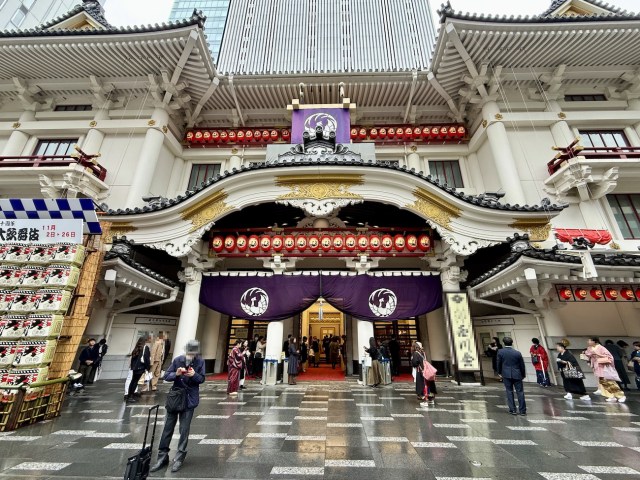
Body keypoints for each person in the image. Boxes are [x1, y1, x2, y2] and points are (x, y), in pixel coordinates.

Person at [150, 339, 205, 473]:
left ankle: (180, 457)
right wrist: (177, 374)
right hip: (175, 398)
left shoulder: (200, 362)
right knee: (167, 428)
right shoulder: (177, 360)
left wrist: (194, 375)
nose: (191, 355)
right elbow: (166, 376)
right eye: (189, 352)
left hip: (189, 399)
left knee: (184, 430)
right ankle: (162, 456)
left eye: (193, 353)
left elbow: (202, 379)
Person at [583, 337, 626, 403]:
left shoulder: (601, 348)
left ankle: (621, 395)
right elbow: (588, 355)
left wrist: (597, 354)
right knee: (603, 382)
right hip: (597, 366)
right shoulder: (590, 348)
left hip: (604, 366)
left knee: (609, 381)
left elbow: (609, 357)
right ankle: (611, 396)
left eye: (589, 341)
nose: (588, 342)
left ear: (594, 341)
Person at [497, 337, 527, 416]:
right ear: (512, 343)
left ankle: (512, 409)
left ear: (504, 343)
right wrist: (523, 374)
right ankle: (522, 410)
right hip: (517, 374)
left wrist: (499, 372)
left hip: (506, 374)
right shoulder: (517, 353)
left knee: (509, 391)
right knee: (520, 392)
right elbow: (522, 365)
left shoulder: (500, 352)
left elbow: (499, 363)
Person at [126, 337, 150, 403]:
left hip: (135, 368)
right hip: (141, 367)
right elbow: (146, 358)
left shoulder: (136, 347)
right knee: (135, 381)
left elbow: (133, 358)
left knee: (133, 381)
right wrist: (148, 368)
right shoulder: (145, 348)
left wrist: (132, 367)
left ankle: (129, 394)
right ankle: (130, 396)